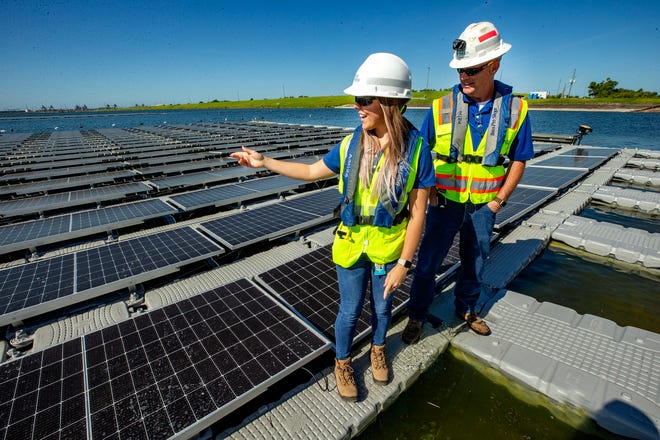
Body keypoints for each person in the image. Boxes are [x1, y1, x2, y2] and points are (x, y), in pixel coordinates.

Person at [231, 53, 435, 401]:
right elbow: (311, 172)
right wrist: (264, 162)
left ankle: (378, 349)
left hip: (388, 248)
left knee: (383, 308)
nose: (356, 106)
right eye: (356, 99)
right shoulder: (350, 145)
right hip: (351, 246)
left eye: (363, 100)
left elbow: (418, 214)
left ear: (389, 102)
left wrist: (404, 263)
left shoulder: (417, 151)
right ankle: (342, 362)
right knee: (350, 309)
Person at [402, 22, 534, 343]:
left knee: (474, 265)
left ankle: (466, 309)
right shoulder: (441, 107)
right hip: (444, 203)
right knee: (427, 264)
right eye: (460, 70)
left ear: (494, 66)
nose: (463, 76)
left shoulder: (516, 110)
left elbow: (519, 159)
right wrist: (428, 190)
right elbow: (419, 153)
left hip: (482, 208)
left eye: (471, 69)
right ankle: (417, 314)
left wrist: (497, 202)